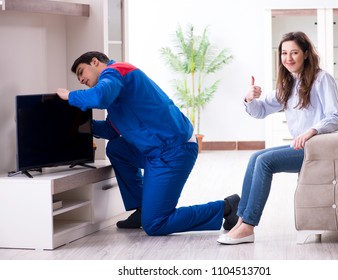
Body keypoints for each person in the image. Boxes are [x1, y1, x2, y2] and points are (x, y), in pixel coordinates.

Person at [57, 51, 240, 236]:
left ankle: (226, 207)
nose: (80, 79)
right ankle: (142, 209)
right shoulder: (115, 93)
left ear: (95, 62)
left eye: (81, 72)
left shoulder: (115, 72)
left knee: (155, 224)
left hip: (174, 150)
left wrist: (69, 96)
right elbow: (111, 131)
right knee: (117, 148)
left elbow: (99, 97)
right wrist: (80, 127)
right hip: (156, 150)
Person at [217, 31, 338, 245]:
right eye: (284, 53)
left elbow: (336, 118)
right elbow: (261, 110)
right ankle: (241, 221)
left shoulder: (322, 79)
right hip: (302, 146)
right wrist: (249, 98)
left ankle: (248, 225)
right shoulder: (288, 83)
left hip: (321, 147)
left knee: (265, 161)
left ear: (305, 53)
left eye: (294, 52)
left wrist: (312, 130)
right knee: (255, 157)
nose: (289, 58)